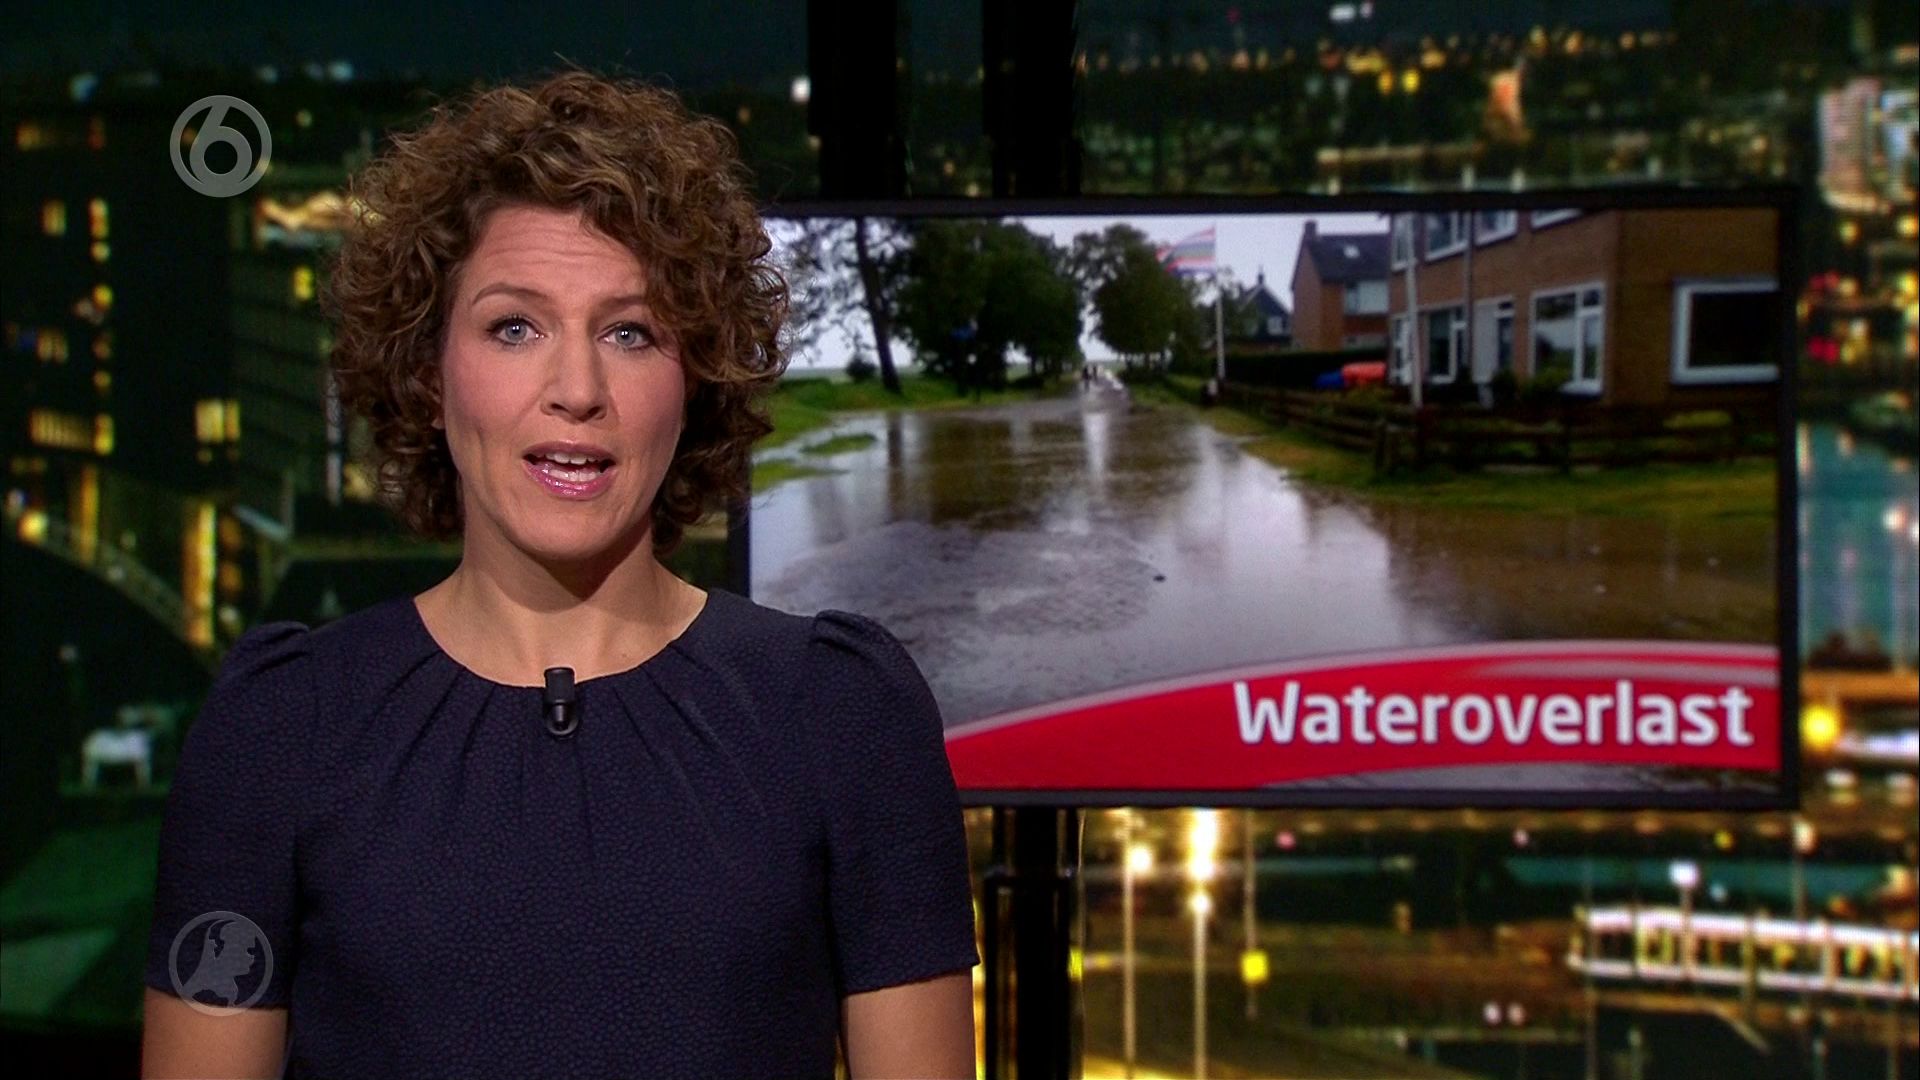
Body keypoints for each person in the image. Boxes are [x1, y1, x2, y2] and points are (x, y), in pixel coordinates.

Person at [142, 68, 978, 1080]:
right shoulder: (281, 728)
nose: (577, 389)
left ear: (696, 376)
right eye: (515, 328)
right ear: (427, 371)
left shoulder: (842, 713)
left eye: (631, 332)